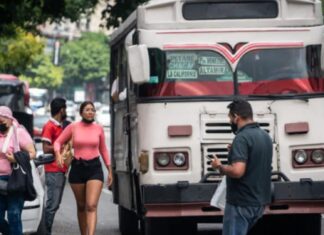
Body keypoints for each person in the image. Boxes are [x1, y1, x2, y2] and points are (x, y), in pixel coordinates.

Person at [211, 99, 272, 235]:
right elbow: (258, 163)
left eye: (230, 118)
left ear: (236, 117)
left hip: (241, 203)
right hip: (259, 203)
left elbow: (238, 171)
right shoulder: (265, 136)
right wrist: (235, 152)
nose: (230, 122)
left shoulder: (242, 138)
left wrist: (219, 166)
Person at [54, 101, 113, 235]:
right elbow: (58, 142)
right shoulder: (73, 127)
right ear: (81, 112)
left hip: (94, 168)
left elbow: (103, 150)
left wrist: (110, 170)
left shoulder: (99, 128)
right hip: (77, 168)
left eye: (92, 110)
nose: (90, 112)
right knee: (81, 206)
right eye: (87, 110)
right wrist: (58, 154)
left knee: (91, 205)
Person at [0, 106, 36, 235]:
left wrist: (16, 158)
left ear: (10, 119)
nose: (0, 124)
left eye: (2, 121)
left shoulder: (18, 132)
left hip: (15, 180)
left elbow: (32, 153)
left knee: (14, 215)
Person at [41, 97, 69, 235]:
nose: (66, 111)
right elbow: (46, 148)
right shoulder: (49, 126)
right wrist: (62, 147)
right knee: (52, 205)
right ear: (61, 109)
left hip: (60, 170)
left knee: (55, 204)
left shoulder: (60, 126)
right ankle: (45, 232)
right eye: (65, 108)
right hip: (52, 169)